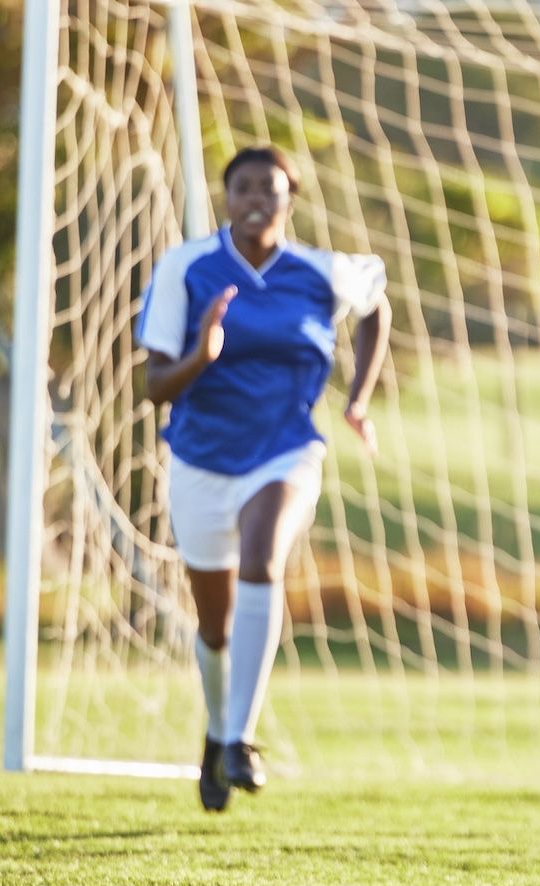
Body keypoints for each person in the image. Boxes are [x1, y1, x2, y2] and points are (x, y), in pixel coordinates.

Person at [136, 146, 391, 812]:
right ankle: (217, 735)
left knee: (263, 559)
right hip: (199, 460)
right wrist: (203, 354)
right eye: (243, 186)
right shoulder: (185, 268)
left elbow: (376, 305)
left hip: (286, 451)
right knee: (214, 626)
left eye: (270, 189)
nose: (256, 198)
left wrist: (357, 398)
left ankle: (241, 740)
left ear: (290, 199)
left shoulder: (318, 271)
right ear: (226, 196)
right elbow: (154, 383)